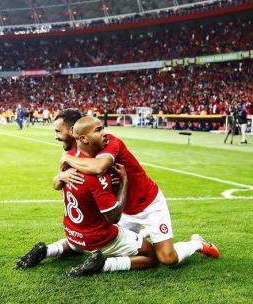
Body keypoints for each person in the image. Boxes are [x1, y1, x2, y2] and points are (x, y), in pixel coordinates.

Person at [57, 112, 220, 266]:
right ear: (83, 138)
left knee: (167, 259)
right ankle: (148, 233)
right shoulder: (83, 154)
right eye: (98, 130)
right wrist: (59, 177)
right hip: (123, 209)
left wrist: (67, 158)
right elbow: (61, 182)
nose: (104, 133)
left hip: (148, 204)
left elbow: (99, 167)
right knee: (113, 251)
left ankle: (197, 243)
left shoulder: (112, 143)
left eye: (102, 128)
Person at [17, 162, 158, 276]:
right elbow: (114, 217)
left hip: (73, 233)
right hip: (98, 239)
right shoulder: (95, 173)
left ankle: (47, 250)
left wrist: (61, 175)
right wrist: (124, 181)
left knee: (78, 242)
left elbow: (56, 185)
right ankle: (103, 265)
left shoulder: (68, 165)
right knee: (152, 255)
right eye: (98, 130)